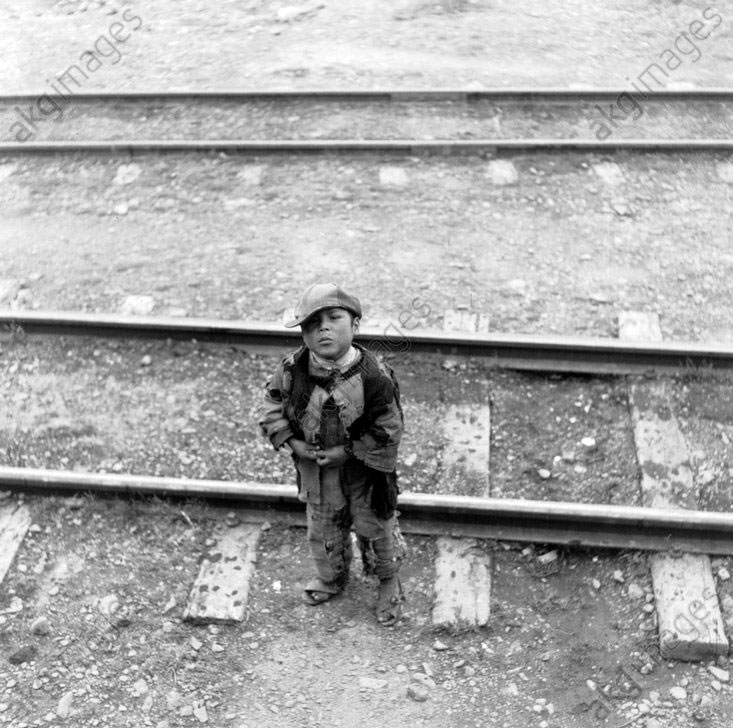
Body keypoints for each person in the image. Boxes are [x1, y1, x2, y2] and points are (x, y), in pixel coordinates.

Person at [259, 283, 406, 626]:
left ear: (354, 325)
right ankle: (332, 576)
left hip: (365, 472)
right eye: (312, 323)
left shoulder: (374, 376)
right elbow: (272, 406)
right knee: (322, 526)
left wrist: (349, 451)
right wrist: (292, 442)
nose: (323, 328)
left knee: (376, 526)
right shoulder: (292, 369)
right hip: (317, 472)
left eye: (334, 318)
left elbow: (390, 428)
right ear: (303, 334)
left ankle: (387, 579)